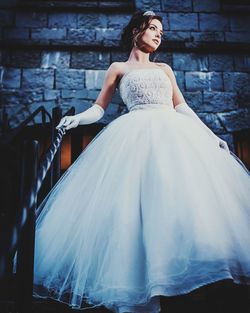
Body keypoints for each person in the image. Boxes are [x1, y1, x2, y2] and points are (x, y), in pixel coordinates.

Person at [33, 11, 250, 313]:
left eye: (162, 30)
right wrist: (75, 119)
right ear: (137, 31)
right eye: (153, 28)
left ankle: (183, 284)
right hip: (132, 135)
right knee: (134, 211)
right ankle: (142, 295)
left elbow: (182, 106)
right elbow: (99, 109)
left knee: (182, 203)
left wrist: (209, 133)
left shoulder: (164, 69)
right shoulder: (118, 68)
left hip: (172, 135)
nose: (159, 34)